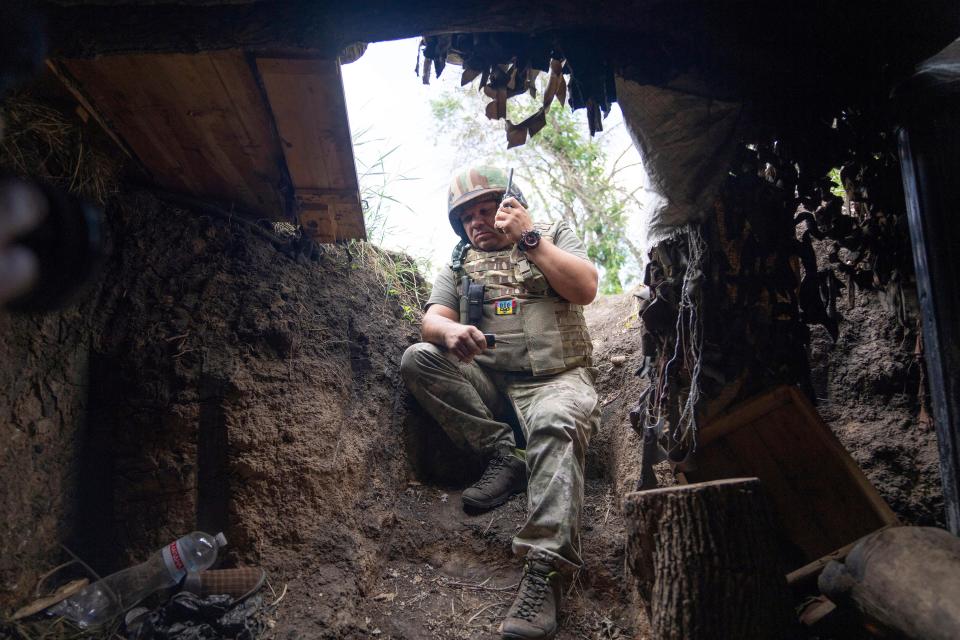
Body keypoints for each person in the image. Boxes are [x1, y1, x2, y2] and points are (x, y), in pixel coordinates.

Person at [400, 166, 600, 640]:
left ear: (513, 206)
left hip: (556, 381)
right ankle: (504, 456)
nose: (476, 222)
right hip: (491, 387)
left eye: (486, 209)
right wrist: (450, 332)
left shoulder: (549, 237)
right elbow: (432, 322)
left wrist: (531, 238)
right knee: (419, 358)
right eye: (466, 216)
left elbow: (585, 288)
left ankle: (545, 570)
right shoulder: (458, 262)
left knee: (556, 418)